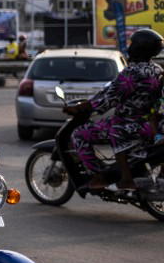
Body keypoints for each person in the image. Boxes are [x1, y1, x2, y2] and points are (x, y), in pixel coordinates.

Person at [67, 28, 164, 190]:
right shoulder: (157, 70)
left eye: (132, 43)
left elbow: (108, 99)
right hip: (148, 125)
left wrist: (85, 107)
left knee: (79, 134)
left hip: (126, 125)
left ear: (139, 47)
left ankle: (100, 177)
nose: (129, 46)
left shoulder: (131, 73)